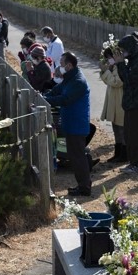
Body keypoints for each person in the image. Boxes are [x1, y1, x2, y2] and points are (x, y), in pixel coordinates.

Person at [43, 52, 92, 196]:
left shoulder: (78, 81)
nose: (60, 66)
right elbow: (57, 90)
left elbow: (65, 99)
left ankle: (85, 186)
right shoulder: (70, 78)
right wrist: (44, 96)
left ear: (69, 65)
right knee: (74, 154)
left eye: (62, 63)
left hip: (77, 123)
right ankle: (82, 184)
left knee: (78, 155)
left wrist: (46, 100)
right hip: (71, 122)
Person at [116, 34, 138, 175]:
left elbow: (129, 80)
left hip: (137, 104)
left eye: (124, 49)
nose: (123, 52)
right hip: (130, 104)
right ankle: (132, 162)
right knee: (128, 135)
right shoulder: (133, 61)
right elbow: (125, 78)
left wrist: (121, 63)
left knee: (134, 135)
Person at [99, 47, 126, 163]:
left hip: (120, 100)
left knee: (122, 128)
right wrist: (106, 70)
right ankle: (118, 152)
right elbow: (108, 81)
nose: (109, 60)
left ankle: (124, 154)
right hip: (113, 100)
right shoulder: (113, 66)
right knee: (115, 127)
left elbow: (116, 82)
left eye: (110, 57)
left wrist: (106, 72)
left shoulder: (122, 66)